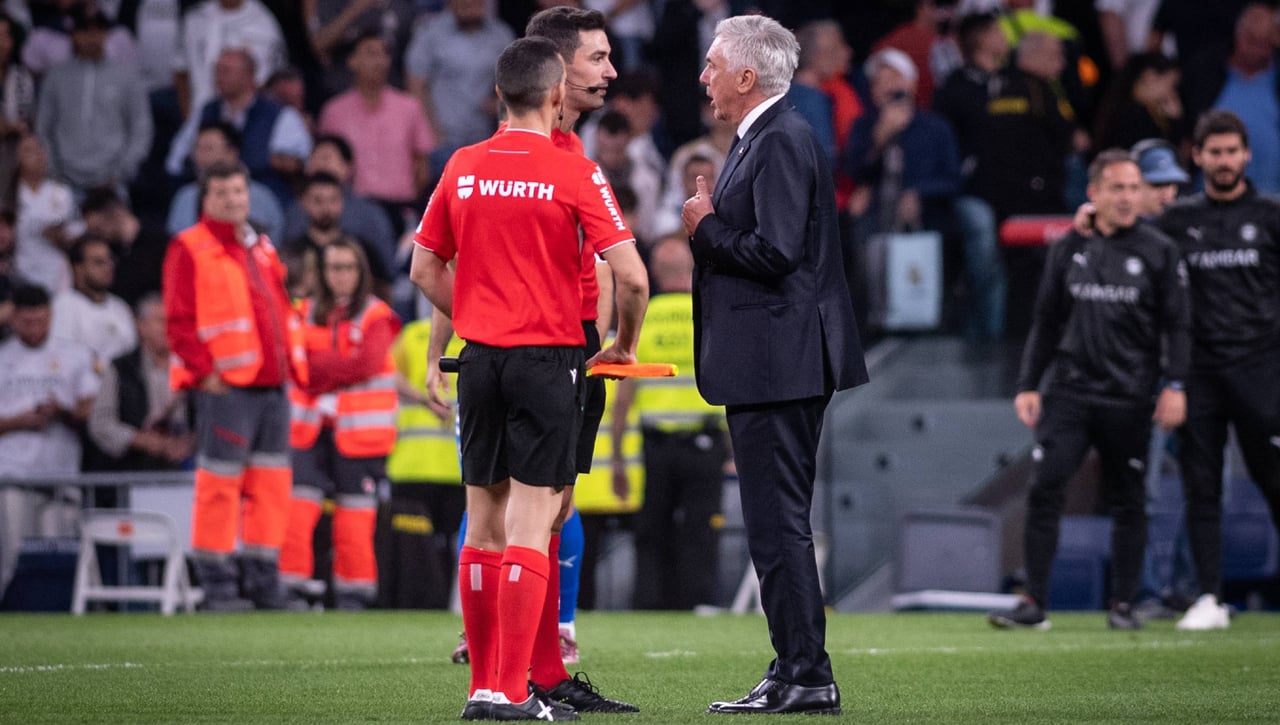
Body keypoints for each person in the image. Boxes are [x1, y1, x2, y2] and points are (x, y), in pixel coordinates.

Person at [410, 36, 645, 722]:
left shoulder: (462, 165)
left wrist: (480, 318)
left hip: (479, 358)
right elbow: (630, 275)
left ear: (497, 96)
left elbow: (424, 269)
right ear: (553, 95)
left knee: (481, 525)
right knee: (534, 522)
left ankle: (483, 687)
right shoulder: (574, 171)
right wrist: (622, 345)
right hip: (550, 357)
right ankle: (513, 690)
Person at [680, 14, 866, 716]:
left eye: (712, 66)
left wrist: (706, 227)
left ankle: (807, 672)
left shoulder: (782, 137)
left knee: (779, 520)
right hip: (773, 358)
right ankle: (793, 666)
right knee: (772, 522)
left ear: (746, 75)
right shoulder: (769, 134)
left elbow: (776, 251)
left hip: (779, 359)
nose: (704, 79)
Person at [987, 149, 1191, 631]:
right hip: (1070, 394)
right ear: (1093, 193)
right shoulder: (1068, 247)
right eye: (1116, 188)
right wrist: (1027, 385)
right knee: (1044, 490)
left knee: (1129, 500)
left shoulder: (1159, 250)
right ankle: (1034, 602)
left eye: (1132, 187)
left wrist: (1176, 385)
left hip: (1131, 397)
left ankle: (1123, 605)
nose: (1126, 197)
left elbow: (1179, 326)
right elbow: (1045, 321)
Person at [1151, 110, 1280, 630]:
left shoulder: (1272, 216)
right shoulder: (1176, 221)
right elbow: (1131, 246)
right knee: (1201, 488)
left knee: (1275, 482)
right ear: (1197, 156)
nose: (1224, 161)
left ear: (1246, 155)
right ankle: (1208, 597)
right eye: (1214, 152)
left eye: (1232, 151)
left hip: (1263, 371)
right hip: (1198, 374)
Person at [162, 158, 308, 611]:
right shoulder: (190, 247)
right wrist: (206, 373)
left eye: (239, 192)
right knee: (219, 486)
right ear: (205, 200)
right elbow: (178, 321)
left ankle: (263, 581)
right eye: (223, 193)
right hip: (227, 388)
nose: (233, 200)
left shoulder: (260, 245)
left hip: (272, 386)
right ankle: (218, 584)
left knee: (271, 487)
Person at [280, 239, 400, 610]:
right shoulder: (301, 312)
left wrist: (319, 369)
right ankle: (290, 590)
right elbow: (294, 364)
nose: (342, 276)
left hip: (359, 435)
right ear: (322, 273)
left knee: (355, 519)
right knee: (297, 512)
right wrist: (338, 365)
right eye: (335, 268)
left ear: (361, 272)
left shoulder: (378, 315)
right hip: (310, 431)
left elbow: (365, 364)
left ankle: (354, 595)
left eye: (349, 267)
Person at [611, 235, 729, 611]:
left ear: (656, 274)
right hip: (705, 443)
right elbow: (732, 383)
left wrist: (616, 457)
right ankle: (697, 605)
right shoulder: (712, 315)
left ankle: (649, 605)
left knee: (651, 533)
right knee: (701, 530)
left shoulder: (642, 319)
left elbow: (623, 396)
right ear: (692, 269)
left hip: (656, 447)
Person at [0, 284, 98, 602]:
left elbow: (91, 410)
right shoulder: (3, 358)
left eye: (41, 321)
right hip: (12, 476)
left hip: (61, 474)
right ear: (13, 317)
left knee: (63, 554)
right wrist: (20, 421)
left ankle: (66, 616)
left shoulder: (74, 354)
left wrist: (62, 412)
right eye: (27, 321)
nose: (34, 328)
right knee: (10, 557)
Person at [34, 6, 152, 197]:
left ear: (106, 34)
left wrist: (121, 171)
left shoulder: (126, 76)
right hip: (63, 179)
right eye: (84, 31)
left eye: (98, 30)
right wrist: (54, 170)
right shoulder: (57, 76)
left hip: (113, 179)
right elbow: (43, 126)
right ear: (73, 35)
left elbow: (141, 128)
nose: (91, 37)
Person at [86, 293, 194, 472]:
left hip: (188, 471)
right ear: (141, 326)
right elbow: (100, 423)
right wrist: (139, 440)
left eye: (172, 320)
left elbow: (213, 418)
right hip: (134, 472)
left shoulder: (192, 366)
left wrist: (191, 442)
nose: (167, 327)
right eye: (160, 321)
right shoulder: (122, 368)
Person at [166, 121, 286, 244]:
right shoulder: (185, 197)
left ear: (231, 152)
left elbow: (274, 243)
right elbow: (177, 241)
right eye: (197, 148)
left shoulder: (263, 198)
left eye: (208, 149)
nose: (200, 156)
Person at [50, 235, 137, 366]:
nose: (108, 267)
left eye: (110, 260)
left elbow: (133, 352)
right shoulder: (63, 305)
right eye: (99, 262)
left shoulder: (120, 307)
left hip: (122, 383)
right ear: (77, 268)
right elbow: (64, 359)